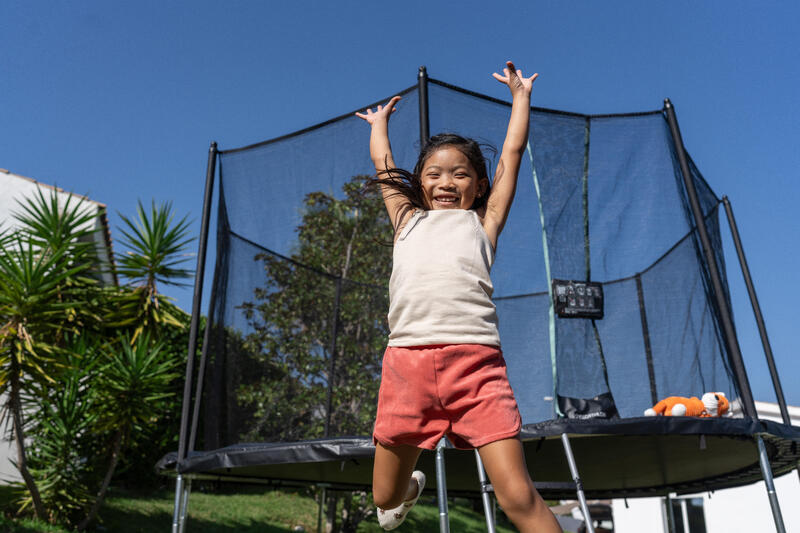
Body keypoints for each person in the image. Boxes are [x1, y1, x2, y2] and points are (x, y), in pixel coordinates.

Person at [355, 61, 562, 533]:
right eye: (434, 174)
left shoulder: (483, 223)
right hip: (407, 366)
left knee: (517, 496)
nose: (447, 182)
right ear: (420, 182)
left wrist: (521, 98)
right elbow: (382, 164)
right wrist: (379, 124)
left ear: (479, 185)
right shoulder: (406, 219)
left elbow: (511, 152)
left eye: (461, 174)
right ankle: (409, 489)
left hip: (476, 368)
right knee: (384, 498)